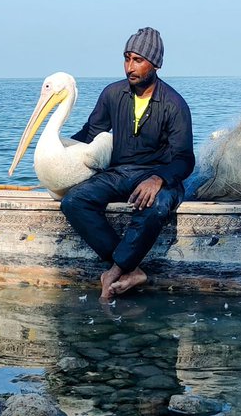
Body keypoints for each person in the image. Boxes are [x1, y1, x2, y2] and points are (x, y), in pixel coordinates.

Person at [61, 27, 195, 299]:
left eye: (137, 60)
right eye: (126, 58)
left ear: (155, 63)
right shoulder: (113, 94)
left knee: (156, 206)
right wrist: (56, 153)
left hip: (161, 176)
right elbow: (90, 134)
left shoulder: (174, 104)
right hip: (120, 173)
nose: (129, 67)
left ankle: (113, 272)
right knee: (74, 202)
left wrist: (158, 180)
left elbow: (185, 159)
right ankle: (130, 268)